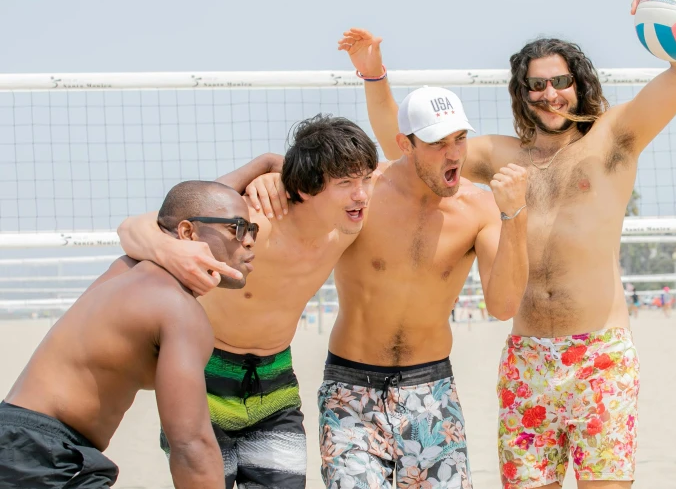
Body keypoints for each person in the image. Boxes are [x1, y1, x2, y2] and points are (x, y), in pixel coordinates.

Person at [339, 0, 676, 486]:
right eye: (537, 84)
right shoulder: (500, 156)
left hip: (599, 354)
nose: (550, 94)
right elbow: (402, 141)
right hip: (527, 356)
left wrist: (666, 0)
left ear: (579, 84)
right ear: (521, 91)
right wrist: (375, 78)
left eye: (561, 81)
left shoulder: (616, 137)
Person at [248, 87, 529, 487]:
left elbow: (503, 306)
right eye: (436, 143)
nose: (453, 154)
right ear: (405, 144)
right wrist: (269, 176)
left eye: (460, 139)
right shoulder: (363, 194)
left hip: (431, 393)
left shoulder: (480, 208)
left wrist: (514, 215)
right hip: (350, 390)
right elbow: (307, 190)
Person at [116, 115, 378, 489]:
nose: (362, 194)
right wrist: (262, 164)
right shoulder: (256, 223)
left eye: (366, 179)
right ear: (305, 188)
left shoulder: (351, 224)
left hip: (275, 381)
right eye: (346, 184)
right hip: (204, 375)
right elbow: (145, 224)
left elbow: (411, 169)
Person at [0, 180, 258, 488]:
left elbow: (186, 203)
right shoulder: (178, 309)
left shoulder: (124, 269)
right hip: (44, 456)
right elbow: (191, 445)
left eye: (253, 230)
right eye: (237, 228)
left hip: (20, 439)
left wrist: (265, 162)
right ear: (188, 233)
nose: (250, 241)